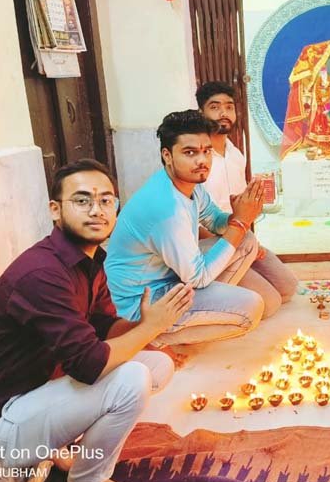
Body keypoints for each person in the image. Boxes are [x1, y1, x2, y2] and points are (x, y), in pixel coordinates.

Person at [0, 159, 193, 482]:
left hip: (34, 399)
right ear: (55, 210)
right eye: (82, 200)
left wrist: (146, 323)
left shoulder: (88, 260)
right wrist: (149, 329)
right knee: (131, 379)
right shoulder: (42, 273)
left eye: (106, 200)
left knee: (157, 365)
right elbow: (89, 364)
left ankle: (66, 452)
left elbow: (103, 327)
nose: (97, 210)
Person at [105, 110, 268, 346]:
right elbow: (199, 278)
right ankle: (151, 338)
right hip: (143, 303)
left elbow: (215, 220)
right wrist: (240, 222)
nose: (202, 161)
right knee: (251, 308)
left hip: (171, 278)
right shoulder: (166, 207)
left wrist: (240, 212)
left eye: (206, 151)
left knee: (246, 239)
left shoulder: (188, 182)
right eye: (190, 152)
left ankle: (203, 311)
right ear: (167, 155)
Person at [197, 81, 298, 317]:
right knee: (269, 303)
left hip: (239, 237)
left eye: (229, 107)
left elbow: (244, 207)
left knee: (288, 287)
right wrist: (232, 246)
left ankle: (233, 288)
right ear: (201, 113)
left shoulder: (235, 153)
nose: (223, 113)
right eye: (215, 107)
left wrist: (249, 244)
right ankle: (207, 299)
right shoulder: (197, 160)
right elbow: (190, 223)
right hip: (209, 247)